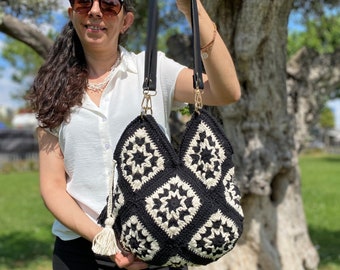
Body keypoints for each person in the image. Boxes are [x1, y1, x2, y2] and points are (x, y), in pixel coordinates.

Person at [28, 0, 241, 269]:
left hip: (160, 242)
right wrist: (104, 239)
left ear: (126, 21)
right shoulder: (51, 89)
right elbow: (53, 187)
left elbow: (226, 91)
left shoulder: (152, 69)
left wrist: (192, 10)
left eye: (108, 5)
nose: (95, 11)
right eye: (84, 3)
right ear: (72, 15)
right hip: (78, 252)